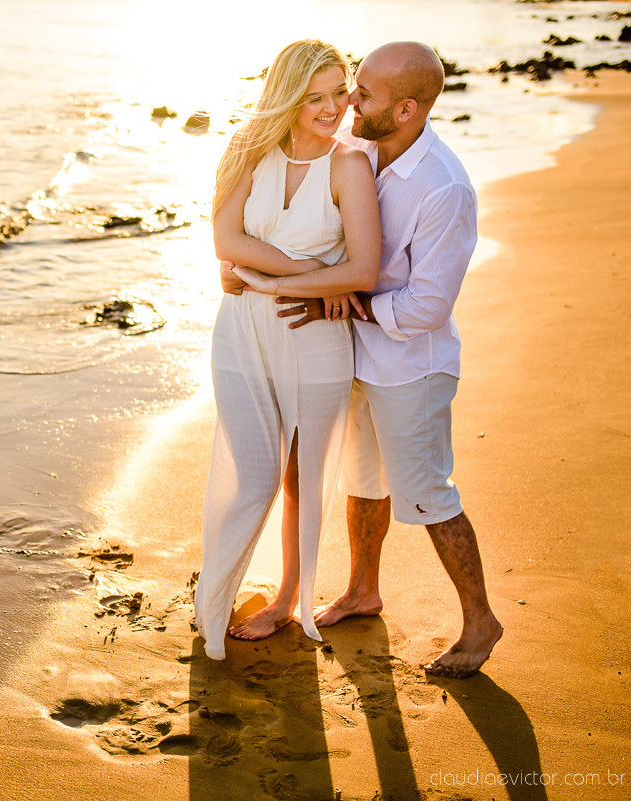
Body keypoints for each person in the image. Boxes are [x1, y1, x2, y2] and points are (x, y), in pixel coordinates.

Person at [228, 42, 503, 678]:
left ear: (406, 109)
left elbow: (427, 307)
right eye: (354, 85)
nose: (350, 100)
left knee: (428, 494)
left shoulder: (445, 189)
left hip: (412, 366)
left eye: (366, 94)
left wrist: (342, 306)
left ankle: (481, 619)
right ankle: (362, 590)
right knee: (363, 482)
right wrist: (242, 261)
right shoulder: (363, 148)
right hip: (355, 354)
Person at [193, 39, 380, 661]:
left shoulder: (349, 164)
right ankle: (214, 596)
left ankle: (285, 599)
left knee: (302, 477)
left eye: (340, 92)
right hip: (242, 330)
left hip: (316, 338)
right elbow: (224, 237)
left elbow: (364, 268)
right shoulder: (248, 147)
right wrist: (304, 273)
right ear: (287, 95)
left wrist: (271, 278)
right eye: (314, 96)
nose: (332, 108)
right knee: (253, 473)